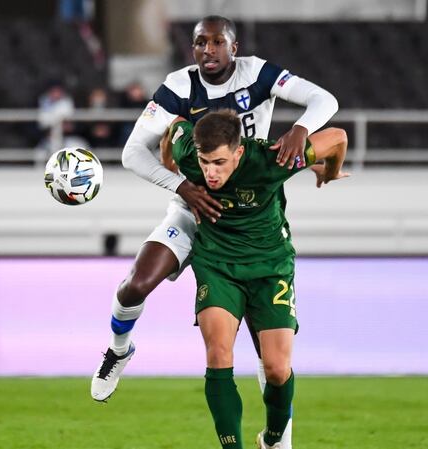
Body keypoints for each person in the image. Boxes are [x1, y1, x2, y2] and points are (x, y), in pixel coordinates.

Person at [91, 15, 339, 449]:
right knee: (136, 285)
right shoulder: (179, 87)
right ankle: (119, 349)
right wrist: (184, 186)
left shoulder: (259, 74)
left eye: (217, 42)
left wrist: (301, 129)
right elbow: (134, 152)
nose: (208, 50)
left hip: (250, 205)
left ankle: (278, 439)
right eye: (200, 43)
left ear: (233, 46)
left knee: (274, 361)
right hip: (194, 208)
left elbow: (325, 101)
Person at [166, 110, 348, 448]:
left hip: (270, 266)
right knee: (218, 355)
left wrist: (329, 173)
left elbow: (337, 137)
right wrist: (176, 183)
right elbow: (172, 129)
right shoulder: (189, 153)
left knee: (277, 370)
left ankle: (273, 438)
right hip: (217, 265)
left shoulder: (271, 160)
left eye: (219, 162)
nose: (210, 172)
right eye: (205, 163)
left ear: (238, 152)